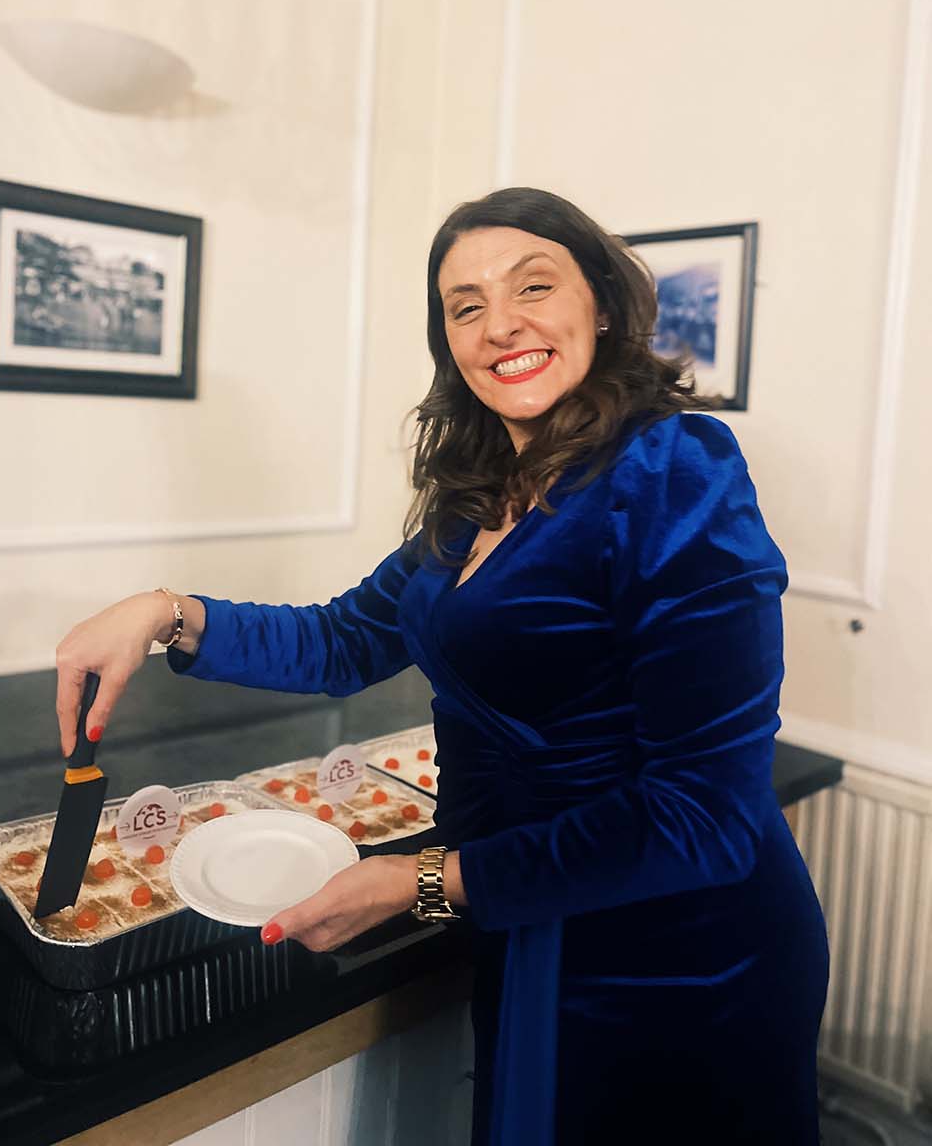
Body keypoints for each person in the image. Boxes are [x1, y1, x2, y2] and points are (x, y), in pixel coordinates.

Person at [55, 187, 830, 1145]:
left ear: (601, 306)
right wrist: (164, 613)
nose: (499, 324)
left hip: (675, 953)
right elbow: (344, 638)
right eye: (466, 306)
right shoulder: (481, 493)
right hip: (527, 897)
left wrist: (423, 880)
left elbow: (704, 819)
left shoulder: (673, 471)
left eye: (532, 286)